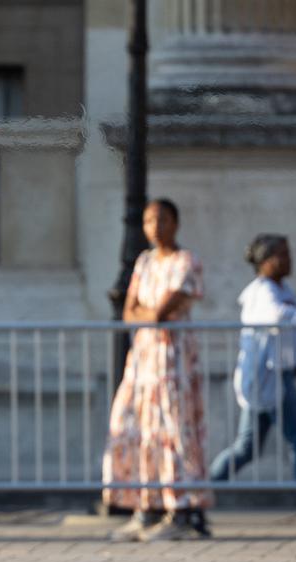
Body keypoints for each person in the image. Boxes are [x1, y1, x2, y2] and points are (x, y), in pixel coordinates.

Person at [102, 198, 212, 542]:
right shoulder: (144, 261)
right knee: (135, 427)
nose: (154, 227)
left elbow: (161, 312)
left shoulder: (186, 261)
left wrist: (147, 312)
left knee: (173, 430)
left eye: (161, 220)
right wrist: (147, 312)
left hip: (173, 360)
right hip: (143, 360)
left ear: (175, 224)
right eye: (149, 221)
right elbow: (129, 312)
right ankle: (145, 506)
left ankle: (179, 508)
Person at [210, 235, 296, 534]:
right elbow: (281, 318)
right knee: (273, 446)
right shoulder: (260, 292)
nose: (290, 259)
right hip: (266, 381)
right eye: (283, 254)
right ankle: (201, 493)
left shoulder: (281, 288)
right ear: (266, 261)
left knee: (266, 447)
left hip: (278, 378)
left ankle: (202, 492)